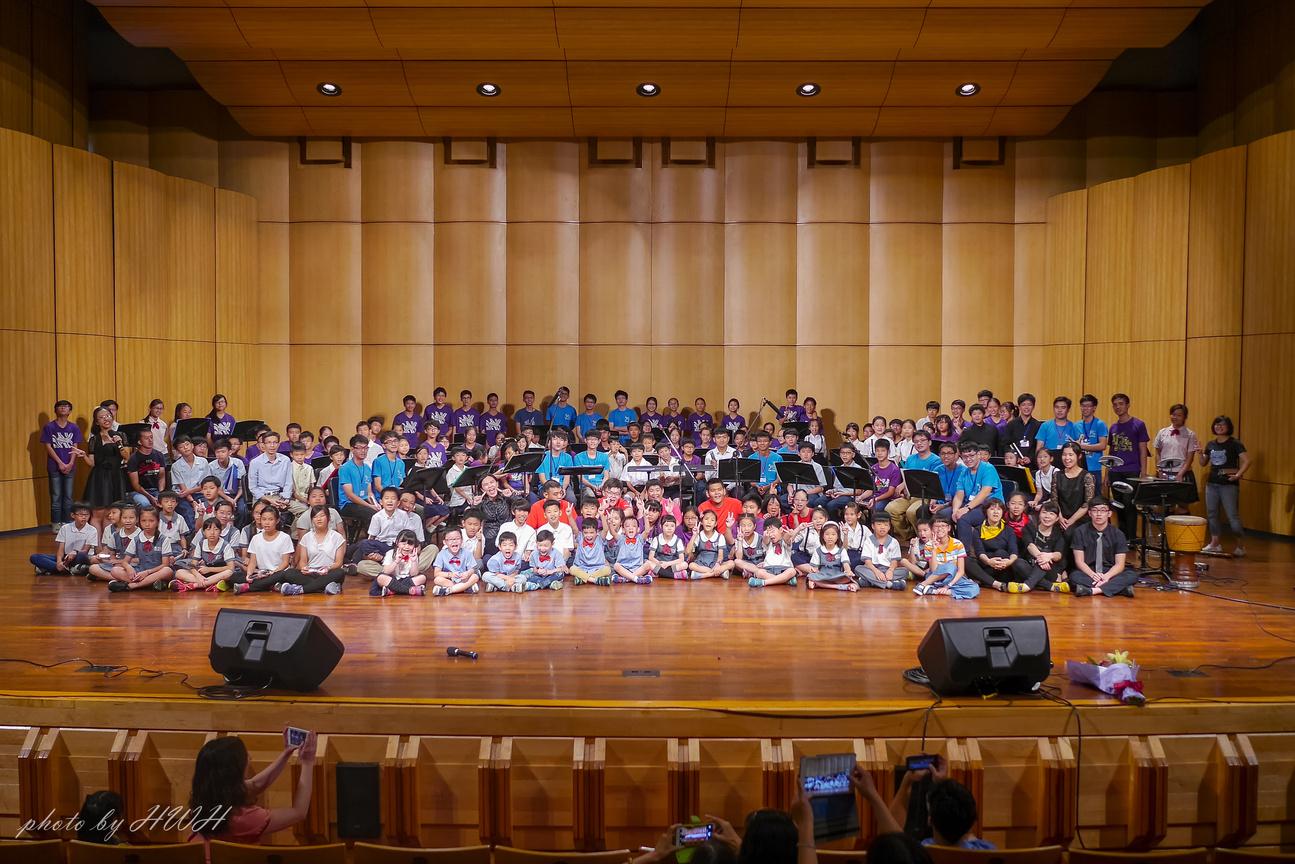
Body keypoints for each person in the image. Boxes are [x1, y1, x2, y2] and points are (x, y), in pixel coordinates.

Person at [188, 729, 317, 856]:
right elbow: (299, 812)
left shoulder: (203, 800)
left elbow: (256, 784)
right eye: (245, 757)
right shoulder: (244, 819)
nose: (250, 758)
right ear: (235, 771)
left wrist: (286, 753)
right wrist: (307, 762)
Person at [1200, 415, 1249, 556]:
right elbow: (1203, 463)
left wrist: (1238, 475)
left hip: (1228, 485)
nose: (1219, 427)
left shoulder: (1235, 443)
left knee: (1232, 516)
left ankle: (1241, 546)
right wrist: (1199, 453)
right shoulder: (1211, 444)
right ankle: (1215, 543)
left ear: (1228, 427)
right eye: (1217, 424)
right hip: (1212, 483)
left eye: (1222, 424)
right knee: (1212, 514)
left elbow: (1247, 461)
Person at [1067, 497, 1136, 597]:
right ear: (1089, 513)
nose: (1098, 514)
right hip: (1089, 571)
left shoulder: (1118, 534)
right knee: (1074, 576)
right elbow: (1079, 562)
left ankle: (1092, 590)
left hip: (1110, 571)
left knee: (1132, 575)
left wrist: (1107, 577)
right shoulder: (1080, 532)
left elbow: (1120, 564)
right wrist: (1093, 575)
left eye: (1103, 510)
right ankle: (1120, 589)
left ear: (1109, 513)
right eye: (1094, 510)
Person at [276, 504, 347, 595]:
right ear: (312, 520)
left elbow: (339, 563)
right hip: (311, 573)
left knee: (340, 573)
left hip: (329, 572)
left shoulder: (337, 537)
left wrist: (328, 568)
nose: (319, 519)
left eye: (322, 516)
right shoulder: (306, 537)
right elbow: (303, 561)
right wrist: (304, 568)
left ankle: (300, 590)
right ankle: (324, 587)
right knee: (289, 573)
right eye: (315, 517)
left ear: (329, 518)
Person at [106, 506, 175, 592]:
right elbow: (125, 561)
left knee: (167, 571)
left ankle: (132, 586)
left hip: (157, 572)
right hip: (140, 571)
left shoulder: (163, 539)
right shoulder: (136, 539)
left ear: (158, 522)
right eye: (143, 521)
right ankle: (149, 583)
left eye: (151, 521)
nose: (147, 524)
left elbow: (165, 564)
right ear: (139, 522)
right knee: (115, 570)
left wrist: (147, 572)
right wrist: (129, 568)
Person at [42, 399, 84, 530]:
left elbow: (75, 446)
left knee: (68, 497)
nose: (63, 408)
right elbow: (48, 447)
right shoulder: (49, 427)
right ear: (55, 410)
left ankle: (67, 522)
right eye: (60, 406)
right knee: (56, 496)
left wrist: (70, 463)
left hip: (70, 466)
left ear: (70, 411)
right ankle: (55, 524)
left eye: (66, 406)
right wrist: (60, 463)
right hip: (54, 466)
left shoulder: (74, 427)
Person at [912, 515, 978, 598]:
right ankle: (923, 584)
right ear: (932, 529)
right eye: (936, 526)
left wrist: (948, 586)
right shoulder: (929, 545)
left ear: (949, 528)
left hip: (952, 578)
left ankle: (935, 591)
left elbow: (961, 571)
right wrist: (934, 550)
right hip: (935, 578)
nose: (940, 529)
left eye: (943, 526)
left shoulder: (958, 544)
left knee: (975, 588)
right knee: (950, 566)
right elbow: (934, 570)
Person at [236, 505, 295, 594]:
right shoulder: (256, 538)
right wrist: (249, 574)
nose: (267, 523)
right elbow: (252, 562)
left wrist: (273, 573)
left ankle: (248, 587)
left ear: (277, 521)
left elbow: (285, 563)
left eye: (270, 519)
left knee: (286, 575)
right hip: (262, 573)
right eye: (264, 519)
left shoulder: (284, 537)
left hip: (278, 572)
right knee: (234, 576)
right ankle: (271, 586)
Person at [964, 498, 1019, 592]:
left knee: (1001, 552)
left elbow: (1013, 551)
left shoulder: (1008, 530)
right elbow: (980, 552)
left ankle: (985, 581)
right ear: (986, 512)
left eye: (999, 509)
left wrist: (1009, 562)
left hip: (1003, 567)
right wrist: (989, 561)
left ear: (1002, 512)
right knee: (966, 560)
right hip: (986, 564)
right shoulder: (978, 530)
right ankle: (996, 584)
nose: (996, 512)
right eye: (992, 509)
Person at [172, 517, 237, 592]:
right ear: (204, 532)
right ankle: (210, 584)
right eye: (208, 529)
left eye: (216, 529)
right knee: (179, 573)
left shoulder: (225, 545)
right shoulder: (201, 544)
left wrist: (209, 569)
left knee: (229, 573)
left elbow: (231, 567)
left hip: (219, 573)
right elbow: (192, 565)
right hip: (204, 574)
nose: (212, 533)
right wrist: (198, 576)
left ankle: (195, 585)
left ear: (220, 532)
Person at [31, 501, 97, 575]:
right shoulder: (65, 528)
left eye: (87, 515)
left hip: (80, 557)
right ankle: (68, 569)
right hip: (66, 557)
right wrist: (59, 562)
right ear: (73, 515)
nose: (84, 517)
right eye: (81, 515)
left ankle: (51, 569)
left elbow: (85, 550)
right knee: (35, 557)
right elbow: (61, 549)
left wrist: (75, 552)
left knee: (82, 556)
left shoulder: (92, 530)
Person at [1053, 442, 1095, 533]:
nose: (1067, 458)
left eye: (1070, 455)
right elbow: (1054, 500)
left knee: (1071, 533)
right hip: (1060, 517)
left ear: (1079, 456)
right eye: (1064, 455)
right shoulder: (1057, 475)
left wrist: (1070, 521)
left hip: (1080, 519)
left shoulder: (1087, 476)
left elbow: (1087, 504)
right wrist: (1060, 518)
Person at [855, 513, 904, 590]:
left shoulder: (894, 542)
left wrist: (890, 571)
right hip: (873, 568)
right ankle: (888, 584)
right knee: (858, 569)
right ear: (873, 526)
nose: (882, 527)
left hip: (887, 569)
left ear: (889, 527)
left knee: (905, 571)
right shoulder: (868, 541)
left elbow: (894, 561)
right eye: (879, 524)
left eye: (886, 525)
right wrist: (876, 572)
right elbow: (867, 561)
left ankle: (870, 582)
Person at [1153, 403, 1200, 481]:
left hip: (1183, 474)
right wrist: (1159, 470)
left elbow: (1190, 458)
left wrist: (1180, 474)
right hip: (1164, 473)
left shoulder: (1190, 434)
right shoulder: (1162, 432)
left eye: (1179, 415)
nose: (1175, 417)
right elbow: (1158, 453)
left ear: (1185, 417)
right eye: (1173, 414)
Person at [804, 522, 856, 591]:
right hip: (822, 575)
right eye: (827, 534)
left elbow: (846, 564)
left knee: (847, 578)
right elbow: (814, 567)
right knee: (810, 576)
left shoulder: (841, 550)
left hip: (837, 575)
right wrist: (814, 570)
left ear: (838, 536)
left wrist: (848, 571)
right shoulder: (818, 551)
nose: (830, 537)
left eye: (833, 534)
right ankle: (839, 587)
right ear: (822, 536)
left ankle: (820, 585)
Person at [125, 428, 167, 509]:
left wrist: (160, 494)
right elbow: (135, 485)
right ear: (139, 442)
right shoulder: (133, 459)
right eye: (146, 438)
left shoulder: (159, 455)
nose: (150, 440)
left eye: (151, 437)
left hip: (155, 490)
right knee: (145, 504)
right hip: (137, 492)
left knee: (165, 502)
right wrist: (150, 497)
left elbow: (161, 477)